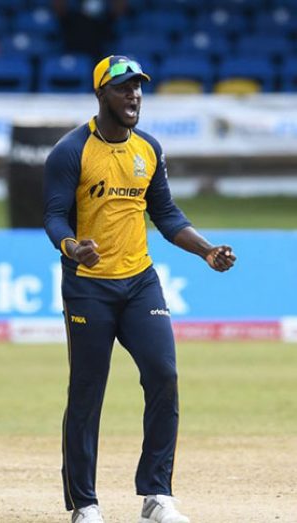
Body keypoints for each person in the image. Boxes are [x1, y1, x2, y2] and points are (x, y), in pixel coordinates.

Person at [43, 55, 236, 523]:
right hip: (89, 286)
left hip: (141, 283)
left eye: (138, 88)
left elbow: (166, 215)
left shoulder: (148, 148)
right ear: (101, 95)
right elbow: (52, 216)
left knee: (164, 376)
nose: (133, 96)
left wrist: (207, 251)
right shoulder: (70, 152)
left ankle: (156, 495)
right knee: (87, 393)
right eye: (123, 87)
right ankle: (85, 504)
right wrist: (72, 247)